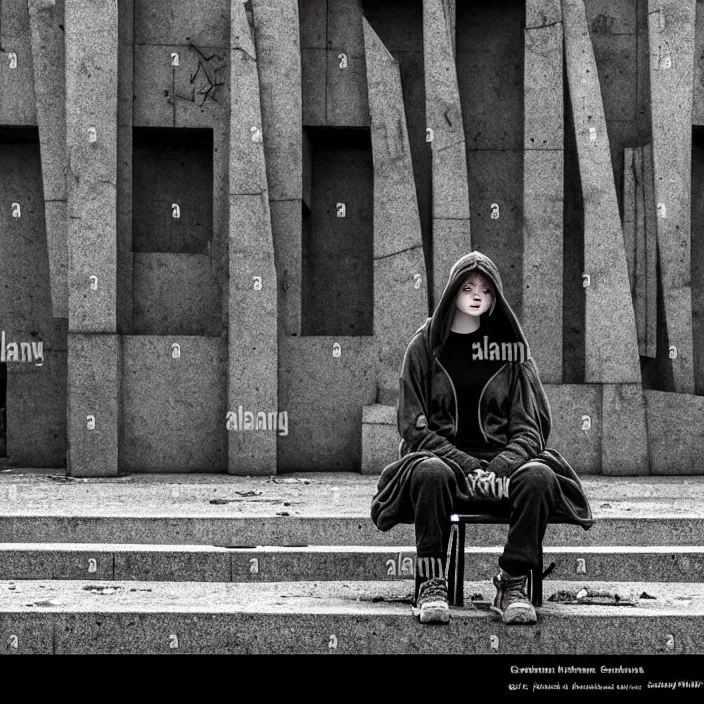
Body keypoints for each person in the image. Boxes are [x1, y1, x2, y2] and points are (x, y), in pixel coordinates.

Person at [371, 250, 594, 625]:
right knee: (430, 473)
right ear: (452, 292)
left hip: (503, 462)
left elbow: (530, 427)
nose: (477, 296)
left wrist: (500, 469)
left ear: (495, 299)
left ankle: (512, 582)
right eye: (469, 287)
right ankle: (430, 582)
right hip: (439, 461)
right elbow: (414, 426)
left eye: (487, 291)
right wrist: (470, 468)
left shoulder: (509, 351)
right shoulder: (424, 347)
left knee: (539, 476)